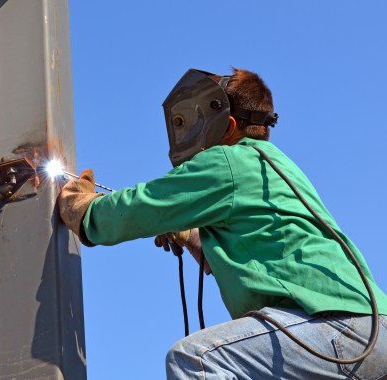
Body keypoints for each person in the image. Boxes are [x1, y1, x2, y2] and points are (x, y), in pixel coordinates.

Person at [58, 68, 387, 379]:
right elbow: (262, 248)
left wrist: (86, 210)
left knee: (196, 358)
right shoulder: (271, 165)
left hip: (339, 329)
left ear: (226, 126)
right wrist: (196, 239)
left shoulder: (227, 160)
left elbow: (140, 207)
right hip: (366, 331)